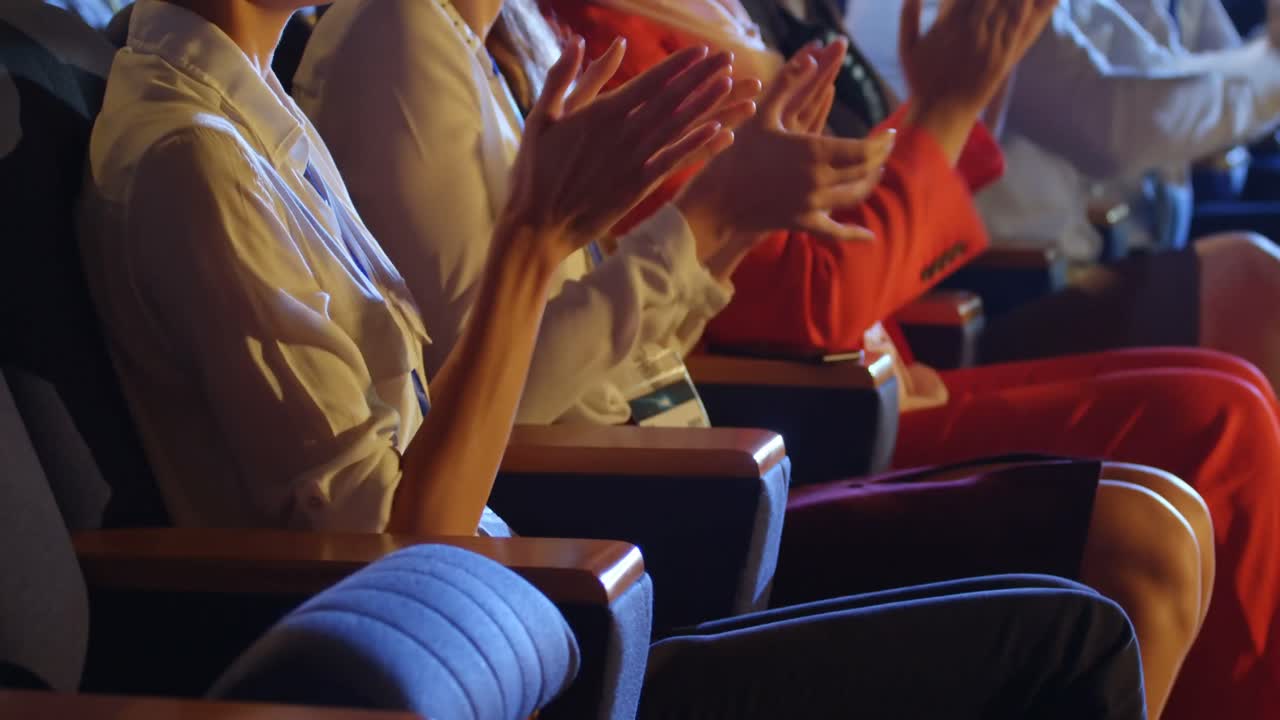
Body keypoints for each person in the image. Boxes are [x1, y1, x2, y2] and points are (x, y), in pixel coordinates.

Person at [77, 0, 1151, 716]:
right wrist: (537, 247)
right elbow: (398, 548)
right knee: (1080, 628)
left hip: (561, 594)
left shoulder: (257, 109)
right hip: (527, 635)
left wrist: (704, 228)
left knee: (1111, 579)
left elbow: (454, 435)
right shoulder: (208, 153)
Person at [532, 1, 1279, 718]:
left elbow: (828, 221)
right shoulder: (613, 39)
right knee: (1215, 421)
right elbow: (804, 300)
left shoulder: (726, 13)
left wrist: (940, 110)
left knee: (1229, 394)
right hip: (789, 420)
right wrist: (951, 107)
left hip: (876, 365)